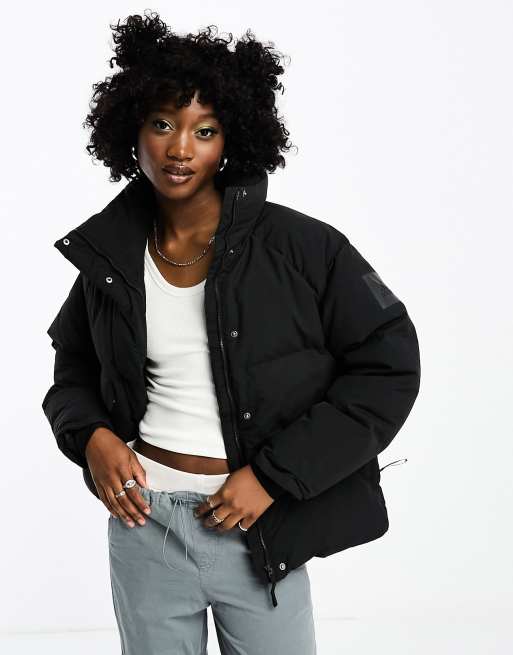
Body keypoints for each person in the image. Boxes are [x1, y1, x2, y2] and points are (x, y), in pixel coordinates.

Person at [42, 11, 420, 655]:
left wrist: (274, 477)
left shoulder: (305, 249)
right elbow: (72, 369)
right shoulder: (111, 257)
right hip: (143, 524)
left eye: (205, 130)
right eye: (162, 124)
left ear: (232, 139)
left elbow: (388, 368)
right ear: (131, 130)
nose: (180, 149)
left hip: (259, 527)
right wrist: (92, 437)